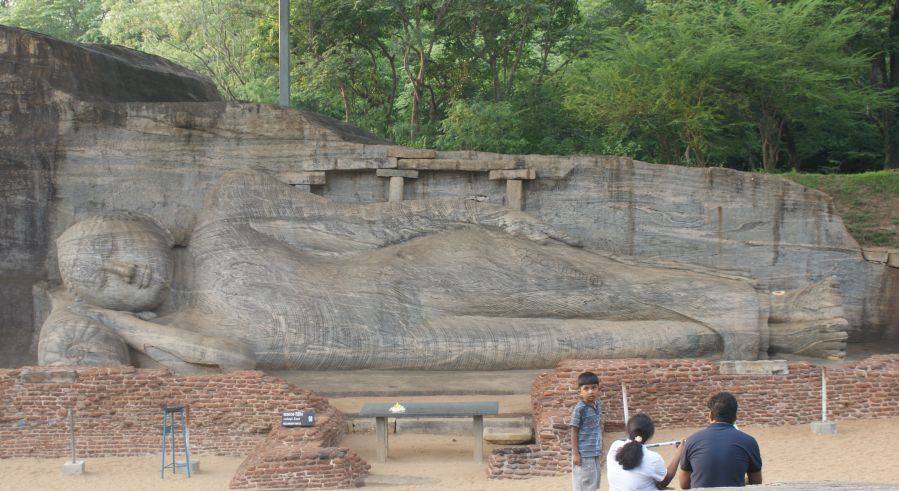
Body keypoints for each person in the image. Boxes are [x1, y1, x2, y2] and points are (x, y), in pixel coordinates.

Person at [38, 169, 842, 372]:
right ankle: (770, 335)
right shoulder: (186, 331)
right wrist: (119, 324)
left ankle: (782, 308)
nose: (123, 269)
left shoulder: (221, 218)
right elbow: (238, 363)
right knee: (617, 336)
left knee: (609, 284)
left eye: (115, 245)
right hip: (423, 342)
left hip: (426, 275)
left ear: (140, 224)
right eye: (99, 278)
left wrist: (489, 215)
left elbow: (368, 222)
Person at [678, 392, 762, 488]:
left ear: (711, 416)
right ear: (735, 417)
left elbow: (684, 484)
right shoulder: (749, 442)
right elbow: (756, 483)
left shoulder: (691, 440)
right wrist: (738, 481)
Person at [607, 413, 683, 491]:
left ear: (628, 431)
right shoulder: (653, 458)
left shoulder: (614, 446)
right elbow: (664, 481)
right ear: (650, 434)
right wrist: (679, 453)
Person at [570, 371, 603, 491]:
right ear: (580, 392)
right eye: (586, 388)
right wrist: (575, 454)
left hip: (594, 452)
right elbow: (574, 431)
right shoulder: (580, 409)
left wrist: (600, 451)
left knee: (593, 483)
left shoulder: (598, 405)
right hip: (584, 454)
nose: (591, 391)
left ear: (598, 389)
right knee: (584, 484)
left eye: (594, 388)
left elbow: (598, 429)